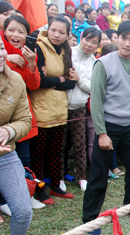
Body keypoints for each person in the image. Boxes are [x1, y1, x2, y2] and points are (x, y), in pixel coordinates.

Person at [82, 21, 130, 232]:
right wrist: (101, 133)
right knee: (99, 173)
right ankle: (90, 219)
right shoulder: (103, 63)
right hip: (108, 127)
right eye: (123, 38)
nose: (127, 43)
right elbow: (96, 101)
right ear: (116, 38)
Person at [29, 16, 77, 204]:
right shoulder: (39, 47)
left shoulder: (66, 49)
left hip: (59, 109)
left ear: (67, 34)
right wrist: (61, 79)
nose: (56, 35)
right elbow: (39, 81)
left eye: (61, 32)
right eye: (53, 30)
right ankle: (40, 191)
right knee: (38, 153)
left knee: (57, 151)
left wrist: (55, 80)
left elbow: (72, 82)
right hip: (41, 108)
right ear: (48, 29)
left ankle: (56, 185)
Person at [0, 16, 44, 211]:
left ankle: (26, 193)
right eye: (11, 30)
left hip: (21, 117)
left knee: (24, 160)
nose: (16, 35)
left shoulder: (27, 54)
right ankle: (3, 202)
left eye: (21, 31)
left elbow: (33, 85)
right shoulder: (4, 54)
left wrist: (31, 64)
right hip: (4, 117)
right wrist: (6, 59)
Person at [0, 33, 33, 235]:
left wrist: (8, 132)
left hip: (5, 154)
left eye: (0, 48)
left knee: (23, 209)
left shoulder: (15, 81)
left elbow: (24, 120)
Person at [61, 27, 100, 192]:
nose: (89, 45)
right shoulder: (68, 52)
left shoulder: (95, 62)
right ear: (81, 37)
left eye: (94, 42)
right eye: (87, 39)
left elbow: (94, 88)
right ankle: (59, 177)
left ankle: (82, 177)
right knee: (60, 146)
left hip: (79, 107)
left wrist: (79, 80)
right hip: (60, 106)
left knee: (79, 145)